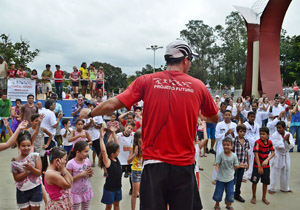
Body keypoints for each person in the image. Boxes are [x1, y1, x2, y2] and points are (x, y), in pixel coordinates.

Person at [80, 40, 219, 210]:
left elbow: (113, 104)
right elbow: (214, 117)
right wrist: (196, 113)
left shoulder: (146, 80)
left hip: (154, 164)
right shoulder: (198, 86)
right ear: (185, 59)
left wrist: (90, 113)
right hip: (183, 165)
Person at [11, 130, 43, 210]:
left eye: (29, 145)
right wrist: (27, 172)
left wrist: (31, 168)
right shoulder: (14, 160)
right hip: (22, 191)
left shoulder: (35, 156)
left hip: (36, 189)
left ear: (31, 145)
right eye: (23, 146)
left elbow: (39, 173)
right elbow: (16, 178)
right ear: (18, 146)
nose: (26, 148)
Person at [212, 137, 246, 210]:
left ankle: (228, 204)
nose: (226, 146)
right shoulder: (220, 155)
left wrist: (240, 165)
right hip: (221, 178)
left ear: (231, 146)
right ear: (222, 145)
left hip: (230, 178)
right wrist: (217, 167)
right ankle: (217, 204)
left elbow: (235, 165)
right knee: (218, 192)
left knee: (230, 193)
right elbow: (217, 163)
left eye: (228, 145)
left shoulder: (234, 156)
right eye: (224, 145)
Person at [109, 121, 135, 195]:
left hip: (130, 160)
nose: (129, 130)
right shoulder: (119, 135)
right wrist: (112, 133)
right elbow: (109, 142)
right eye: (128, 127)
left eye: (131, 129)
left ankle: (132, 189)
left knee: (131, 176)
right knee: (118, 176)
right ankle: (118, 189)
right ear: (125, 127)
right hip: (120, 160)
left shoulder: (133, 135)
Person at [99, 127, 122, 210]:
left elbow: (117, 143)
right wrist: (101, 138)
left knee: (117, 205)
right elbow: (103, 150)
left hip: (118, 187)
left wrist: (113, 133)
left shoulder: (116, 158)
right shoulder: (108, 162)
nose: (119, 152)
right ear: (112, 153)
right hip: (109, 189)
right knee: (109, 206)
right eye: (118, 151)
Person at [250, 127, 275, 205]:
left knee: (265, 182)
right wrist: (259, 167)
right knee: (255, 181)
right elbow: (256, 155)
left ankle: (264, 197)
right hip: (257, 166)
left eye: (263, 134)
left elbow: (273, 153)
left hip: (266, 166)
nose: (261, 135)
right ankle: (254, 196)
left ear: (268, 135)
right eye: (260, 134)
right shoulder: (257, 142)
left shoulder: (270, 142)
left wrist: (267, 159)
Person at [66, 141, 94, 210]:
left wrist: (90, 174)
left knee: (86, 208)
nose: (87, 154)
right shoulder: (70, 163)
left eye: (88, 151)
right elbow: (69, 180)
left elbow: (89, 174)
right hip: (75, 192)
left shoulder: (87, 160)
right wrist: (80, 175)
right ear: (77, 152)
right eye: (85, 151)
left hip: (86, 190)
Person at [268, 121, 294, 194]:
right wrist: (284, 140)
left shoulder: (289, 134)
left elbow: (292, 145)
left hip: (286, 154)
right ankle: (272, 188)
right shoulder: (274, 135)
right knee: (275, 172)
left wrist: (288, 141)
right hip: (278, 154)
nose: (278, 129)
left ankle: (285, 188)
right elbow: (275, 145)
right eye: (277, 128)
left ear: (284, 128)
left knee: (286, 171)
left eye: (280, 128)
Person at [213, 110, 237, 182]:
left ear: (231, 116)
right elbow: (216, 136)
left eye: (229, 115)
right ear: (223, 116)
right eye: (226, 115)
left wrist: (233, 134)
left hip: (230, 145)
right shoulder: (219, 124)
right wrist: (226, 134)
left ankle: (229, 177)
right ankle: (216, 178)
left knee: (230, 161)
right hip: (221, 145)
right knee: (219, 160)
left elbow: (236, 136)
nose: (227, 116)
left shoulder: (234, 125)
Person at [232, 124, 250, 203]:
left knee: (239, 180)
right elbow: (231, 152)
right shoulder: (234, 141)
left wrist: (247, 163)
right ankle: (230, 194)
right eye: (240, 131)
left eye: (244, 131)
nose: (242, 133)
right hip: (235, 164)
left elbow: (246, 153)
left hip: (243, 164)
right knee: (233, 179)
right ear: (237, 132)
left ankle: (237, 194)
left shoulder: (246, 141)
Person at [127, 131, 142, 210]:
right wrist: (134, 154)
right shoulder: (133, 147)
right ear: (138, 138)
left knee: (142, 193)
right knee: (135, 193)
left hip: (144, 171)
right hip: (136, 171)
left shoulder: (145, 146)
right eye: (141, 137)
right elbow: (128, 161)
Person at [244, 111, 260, 180]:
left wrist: (256, 141)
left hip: (255, 144)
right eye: (251, 117)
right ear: (248, 117)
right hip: (247, 144)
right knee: (246, 159)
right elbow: (245, 135)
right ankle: (243, 176)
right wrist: (251, 141)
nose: (252, 118)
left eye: (254, 117)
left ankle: (250, 175)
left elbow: (258, 134)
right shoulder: (245, 125)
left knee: (253, 160)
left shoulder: (257, 125)